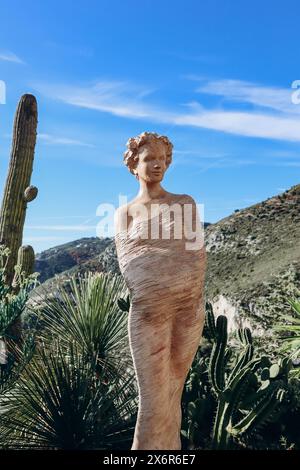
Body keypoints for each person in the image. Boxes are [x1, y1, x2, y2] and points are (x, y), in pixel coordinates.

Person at [114, 132, 206, 450]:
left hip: (188, 308)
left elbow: (196, 257)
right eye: (148, 159)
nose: (157, 165)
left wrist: (175, 282)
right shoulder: (124, 214)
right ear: (134, 165)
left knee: (172, 395)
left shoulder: (185, 203)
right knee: (152, 405)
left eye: (162, 159)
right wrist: (165, 274)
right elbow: (132, 268)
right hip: (148, 313)